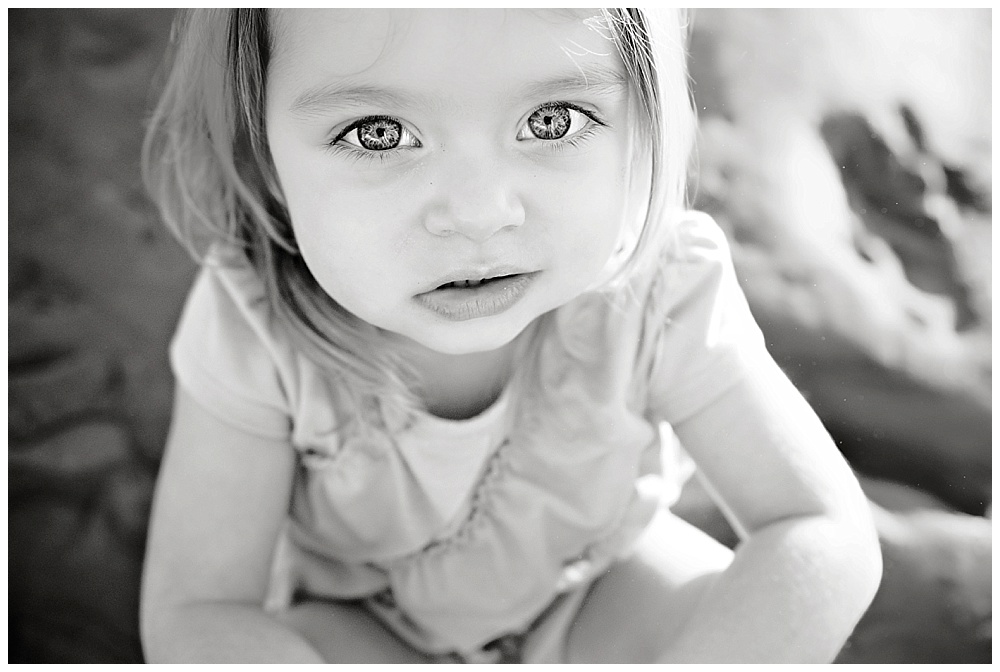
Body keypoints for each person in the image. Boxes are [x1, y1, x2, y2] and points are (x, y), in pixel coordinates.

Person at [139, 8, 882, 664]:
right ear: (264, 161)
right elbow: (200, 607)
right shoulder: (257, 322)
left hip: (597, 591)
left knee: (754, 618)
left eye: (551, 120)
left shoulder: (659, 293)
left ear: (643, 129)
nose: (479, 213)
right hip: (364, 626)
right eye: (379, 133)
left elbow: (819, 528)